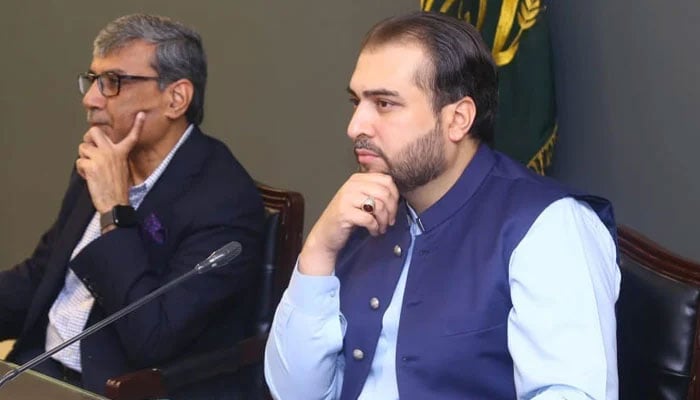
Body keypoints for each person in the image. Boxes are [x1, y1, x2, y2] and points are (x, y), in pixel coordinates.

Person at [265, 11, 620, 400]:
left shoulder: (550, 228)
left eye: (384, 103)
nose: (355, 126)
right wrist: (318, 250)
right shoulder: (367, 209)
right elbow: (295, 393)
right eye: (357, 101)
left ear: (458, 119)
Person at [0, 14, 265, 398]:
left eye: (113, 83)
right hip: (36, 370)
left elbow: (153, 336)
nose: (90, 100)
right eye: (93, 80)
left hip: (112, 388)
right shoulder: (104, 161)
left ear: (176, 98)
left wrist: (113, 209)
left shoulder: (224, 203)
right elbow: (42, 276)